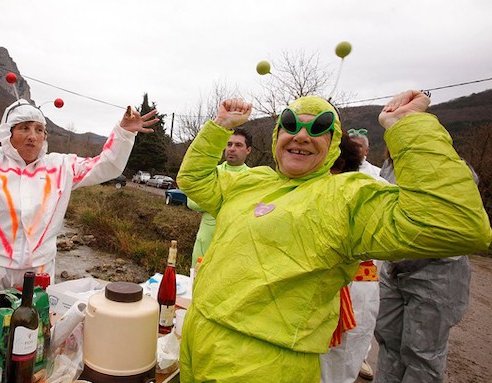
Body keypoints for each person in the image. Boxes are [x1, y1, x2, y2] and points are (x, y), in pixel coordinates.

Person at [176, 92, 491, 383]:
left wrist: (407, 127)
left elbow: (455, 224)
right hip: (198, 337)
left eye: (318, 129)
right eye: (290, 125)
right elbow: (193, 179)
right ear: (277, 136)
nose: (301, 135)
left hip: (262, 364)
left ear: (333, 143)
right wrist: (219, 127)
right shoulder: (253, 180)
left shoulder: (347, 197)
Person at [0, 39, 159, 338]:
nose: (32, 137)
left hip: (37, 276)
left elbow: (105, 166)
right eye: (24, 129)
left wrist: (122, 133)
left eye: (39, 130)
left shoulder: (60, 167)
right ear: (8, 134)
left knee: (28, 345)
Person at [373, 150, 477, 383]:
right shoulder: (390, 166)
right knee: (389, 341)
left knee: (422, 354)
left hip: (437, 273)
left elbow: (462, 220)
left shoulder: (449, 164)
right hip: (395, 271)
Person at [321, 130, 384, 383]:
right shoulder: (306, 187)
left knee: (344, 357)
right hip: (316, 290)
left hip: (358, 286)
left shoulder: (375, 185)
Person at [187, 128, 252, 267]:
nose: (232, 149)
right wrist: (232, 198)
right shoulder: (211, 173)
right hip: (205, 243)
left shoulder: (253, 178)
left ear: (248, 150)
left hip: (235, 246)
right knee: (197, 284)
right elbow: (192, 202)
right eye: (229, 144)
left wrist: (213, 197)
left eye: (238, 145)